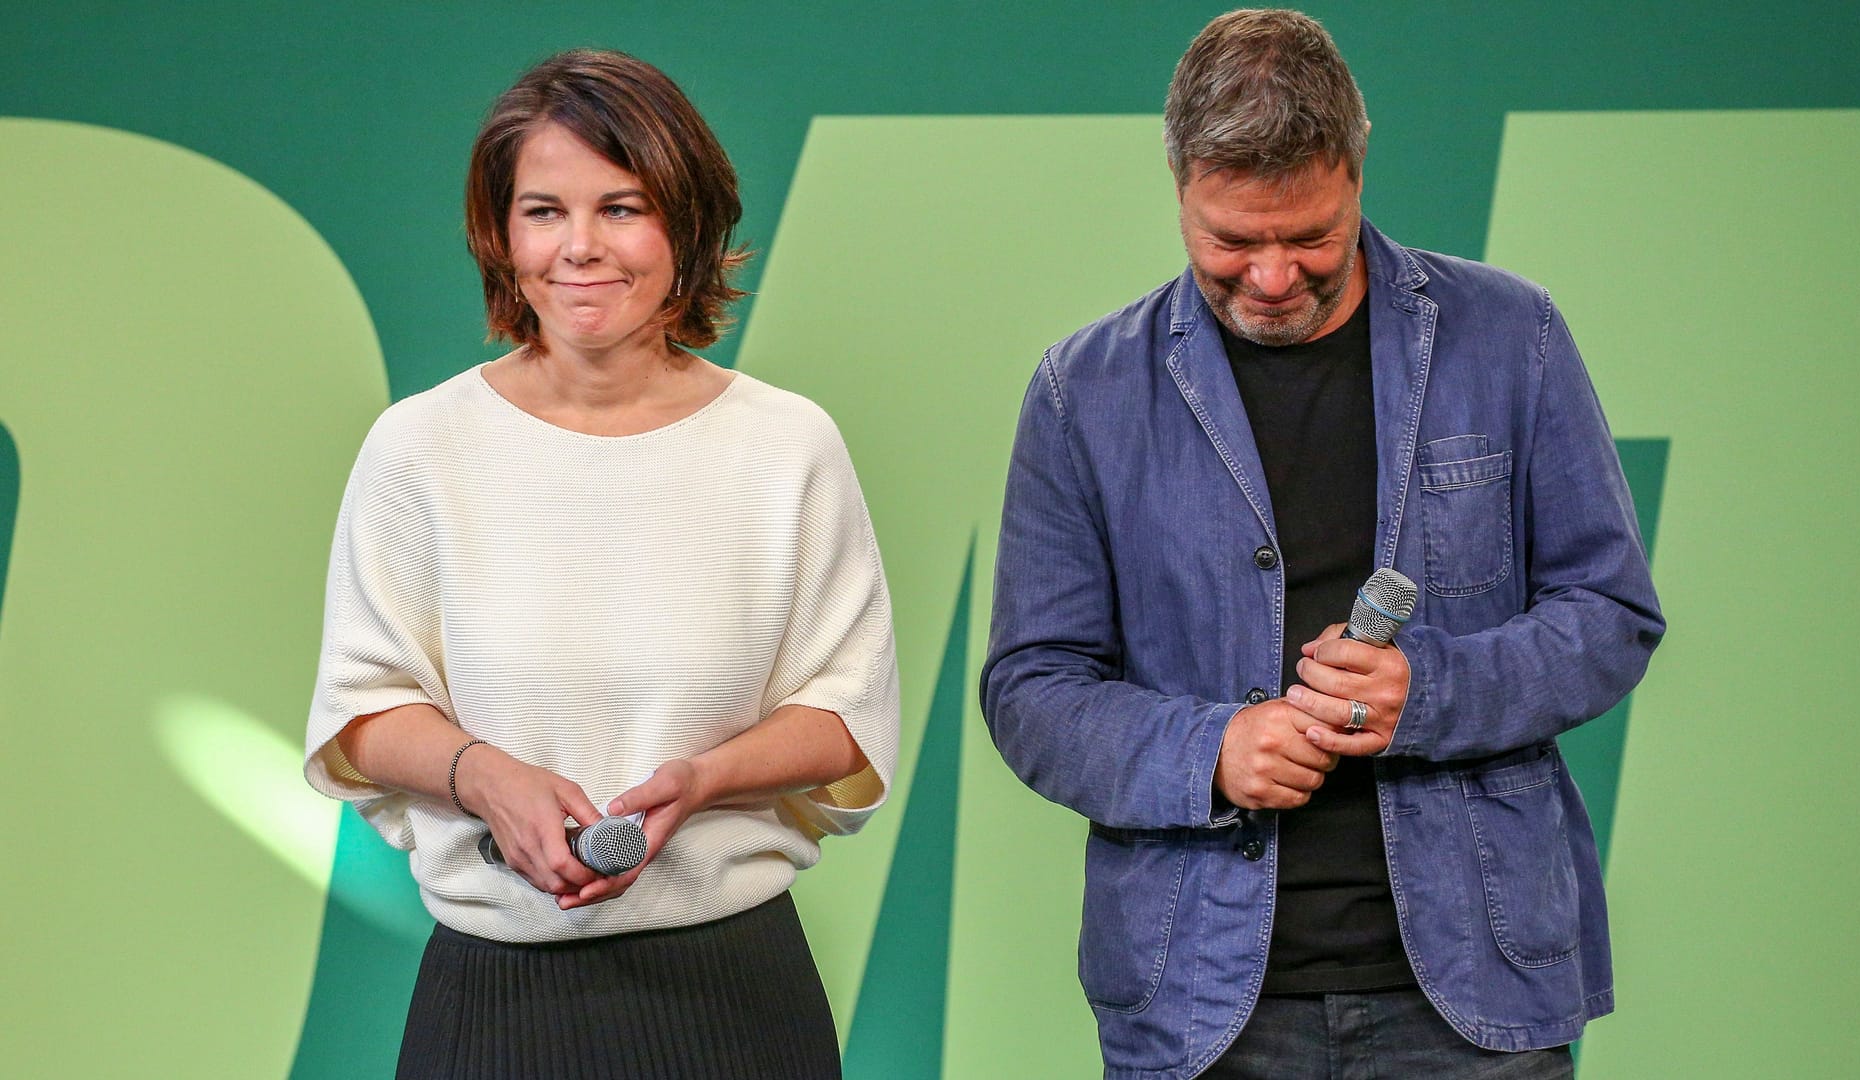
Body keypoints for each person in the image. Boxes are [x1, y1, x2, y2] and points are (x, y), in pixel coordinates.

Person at [980, 9, 1663, 1079]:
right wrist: (1208, 750)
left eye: (1308, 239)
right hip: (1196, 1004)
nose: (1270, 277)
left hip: (1477, 994)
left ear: (1356, 166)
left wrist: (1424, 691)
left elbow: (1611, 613)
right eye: (1231, 242)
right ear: (1179, 185)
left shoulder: (1510, 336)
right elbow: (1032, 688)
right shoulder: (1085, 392)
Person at [303, 49, 899, 1079]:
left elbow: (844, 714)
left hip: (735, 1002)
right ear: (500, 235)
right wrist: (482, 776)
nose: (580, 248)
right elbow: (362, 706)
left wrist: (700, 782)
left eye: (622, 208)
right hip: (489, 1001)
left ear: (689, 227)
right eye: (543, 212)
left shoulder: (787, 445)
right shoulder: (420, 446)